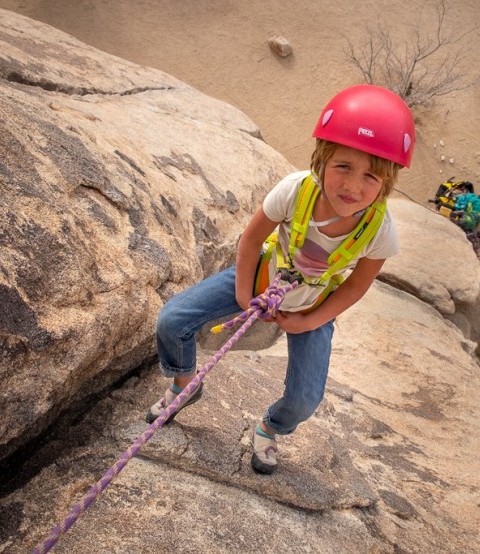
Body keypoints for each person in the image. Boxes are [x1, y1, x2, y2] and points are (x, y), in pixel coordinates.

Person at [145, 84, 415, 474]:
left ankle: (270, 428)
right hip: (261, 279)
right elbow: (252, 238)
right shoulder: (295, 190)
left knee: (305, 399)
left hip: (313, 303)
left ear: (387, 184)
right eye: (343, 167)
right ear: (322, 159)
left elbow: (356, 286)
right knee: (173, 320)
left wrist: (309, 321)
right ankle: (184, 384)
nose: (353, 186)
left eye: (371, 177)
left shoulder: (380, 232)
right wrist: (242, 294)